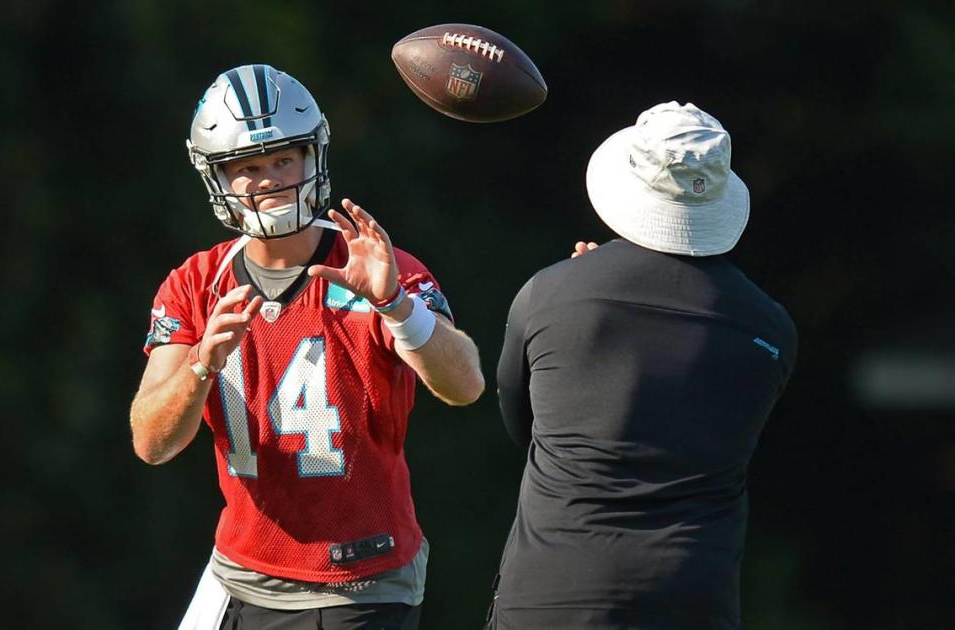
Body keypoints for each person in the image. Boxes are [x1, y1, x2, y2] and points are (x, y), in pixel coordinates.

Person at [129, 64, 484, 630]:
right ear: (217, 176)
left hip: (358, 581)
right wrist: (200, 365)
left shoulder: (373, 266)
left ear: (312, 156)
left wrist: (396, 304)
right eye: (247, 166)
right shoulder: (196, 282)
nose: (268, 178)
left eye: (282, 159)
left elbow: (465, 385)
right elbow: (151, 443)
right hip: (239, 571)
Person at [488, 102, 797, 629]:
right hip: (693, 599)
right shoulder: (770, 329)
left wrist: (581, 290)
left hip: (550, 594)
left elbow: (528, 428)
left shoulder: (548, 292)